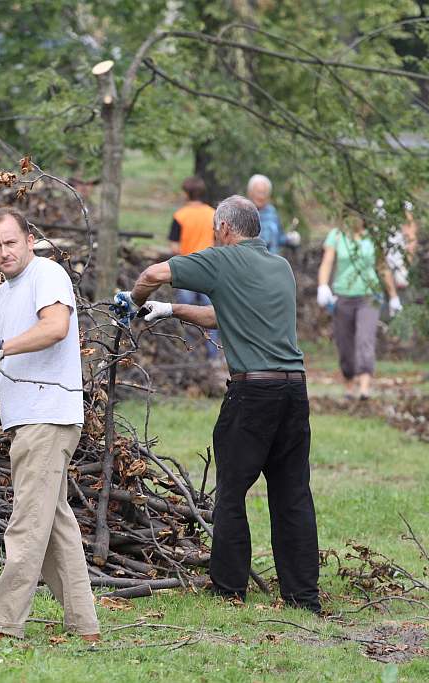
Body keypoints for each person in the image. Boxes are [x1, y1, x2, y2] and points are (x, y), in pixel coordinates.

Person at [114, 195, 321, 614]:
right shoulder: (280, 268)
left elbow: (155, 271)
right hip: (294, 391)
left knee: (230, 492)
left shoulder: (223, 259)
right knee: (293, 494)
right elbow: (224, 316)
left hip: (253, 393)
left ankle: (228, 590)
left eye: (213, 229)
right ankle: (303, 598)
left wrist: (132, 303)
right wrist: (170, 309)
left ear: (225, 228)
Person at [0, 207, 100, 643]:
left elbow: (54, 328)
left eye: (10, 242)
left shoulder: (46, 275)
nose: (3, 252)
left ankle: (0, 624)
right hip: (28, 420)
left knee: (27, 525)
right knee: (54, 527)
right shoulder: (5, 293)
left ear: (29, 239)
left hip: (47, 417)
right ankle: (85, 627)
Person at [316, 212, 401, 400]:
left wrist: (393, 295)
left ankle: (364, 388)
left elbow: (382, 267)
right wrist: (323, 285)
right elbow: (327, 263)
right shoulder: (337, 235)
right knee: (345, 344)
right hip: (343, 296)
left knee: (365, 339)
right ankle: (349, 385)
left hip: (370, 296)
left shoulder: (372, 237)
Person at [167, 176, 220, 360]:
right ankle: (214, 356)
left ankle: (191, 356)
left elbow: (174, 247)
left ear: (186, 193)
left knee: (187, 314)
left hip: (187, 271)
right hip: (209, 270)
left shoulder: (180, 215)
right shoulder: (213, 214)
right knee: (214, 315)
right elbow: (218, 241)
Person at [247, 174, 282, 255]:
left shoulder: (272, 211)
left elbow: (279, 238)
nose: (262, 196)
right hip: (253, 263)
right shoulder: (243, 212)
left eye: (264, 192)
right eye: (259, 192)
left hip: (274, 262)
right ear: (250, 193)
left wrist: (290, 239)